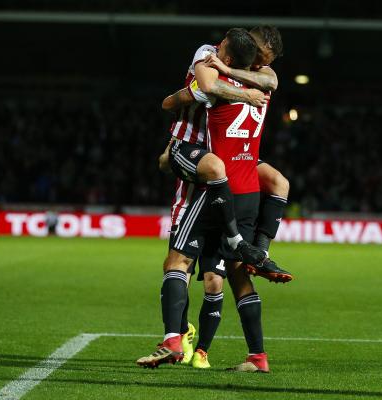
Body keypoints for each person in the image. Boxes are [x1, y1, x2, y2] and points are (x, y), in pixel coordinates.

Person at [137, 28, 269, 369]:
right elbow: (193, 92)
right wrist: (197, 94)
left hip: (217, 176)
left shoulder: (252, 76)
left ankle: (188, 343)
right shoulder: (207, 55)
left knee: (204, 272)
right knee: (181, 262)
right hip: (200, 164)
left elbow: (264, 81)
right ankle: (180, 334)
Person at [160, 25, 292, 283]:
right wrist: (245, 94)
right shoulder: (209, 54)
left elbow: (272, 81)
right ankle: (179, 317)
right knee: (181, 256)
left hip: (230, 152)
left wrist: (231, 72)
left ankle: (261, 256)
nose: (259, 66)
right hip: (196, 146)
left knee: (279, 183)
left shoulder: (244, 68)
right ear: (250, 47)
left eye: (265, 62)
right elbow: (205, 86)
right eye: (259, 58)